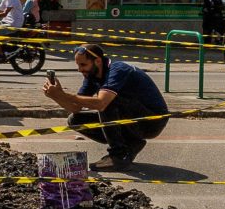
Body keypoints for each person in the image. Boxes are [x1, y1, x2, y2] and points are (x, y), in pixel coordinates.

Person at [42, 43, 170, 170]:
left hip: (153, 121)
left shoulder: (118, 69)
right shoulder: (92, 75)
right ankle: (131, 143)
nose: (80, 69)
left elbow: (101, 103)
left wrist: (64, 94)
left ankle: (118, 156)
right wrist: (56, 96)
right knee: (74, 120)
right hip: (133, 118)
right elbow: (75, 108)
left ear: (97, 61)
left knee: (106, 102)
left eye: (83, 64)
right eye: (78, 65)